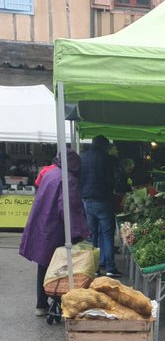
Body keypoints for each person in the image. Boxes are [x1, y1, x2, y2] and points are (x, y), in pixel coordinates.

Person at [19, 150, 89, 316]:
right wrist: (79, 233)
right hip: (56, 228)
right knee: (60, 266)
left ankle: (41, 304)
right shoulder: (68, 180)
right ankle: (59, 302)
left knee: (43, 264)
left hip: (44, 223)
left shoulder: (51, 173)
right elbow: (69, 209)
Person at [79, 134, 120, 277]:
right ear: (103, 146)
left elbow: (79, 178)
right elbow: (110, 180)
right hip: (103, 200)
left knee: (92, 235)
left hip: (86, 200)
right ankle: (109, 268)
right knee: (108, 234)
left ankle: (94, 268)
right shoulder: (106, 159)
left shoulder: (82, 157)